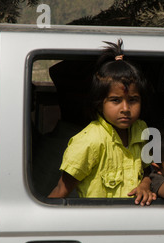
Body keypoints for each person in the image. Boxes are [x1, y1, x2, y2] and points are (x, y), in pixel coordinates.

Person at [48, 40, 156, 205]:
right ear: (100, 103)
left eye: (133, 100)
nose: (126, 108)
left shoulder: (141, 130)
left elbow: (146, 170)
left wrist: (145, 184)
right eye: (115, 100)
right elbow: (61, 190)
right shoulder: (89, 142)